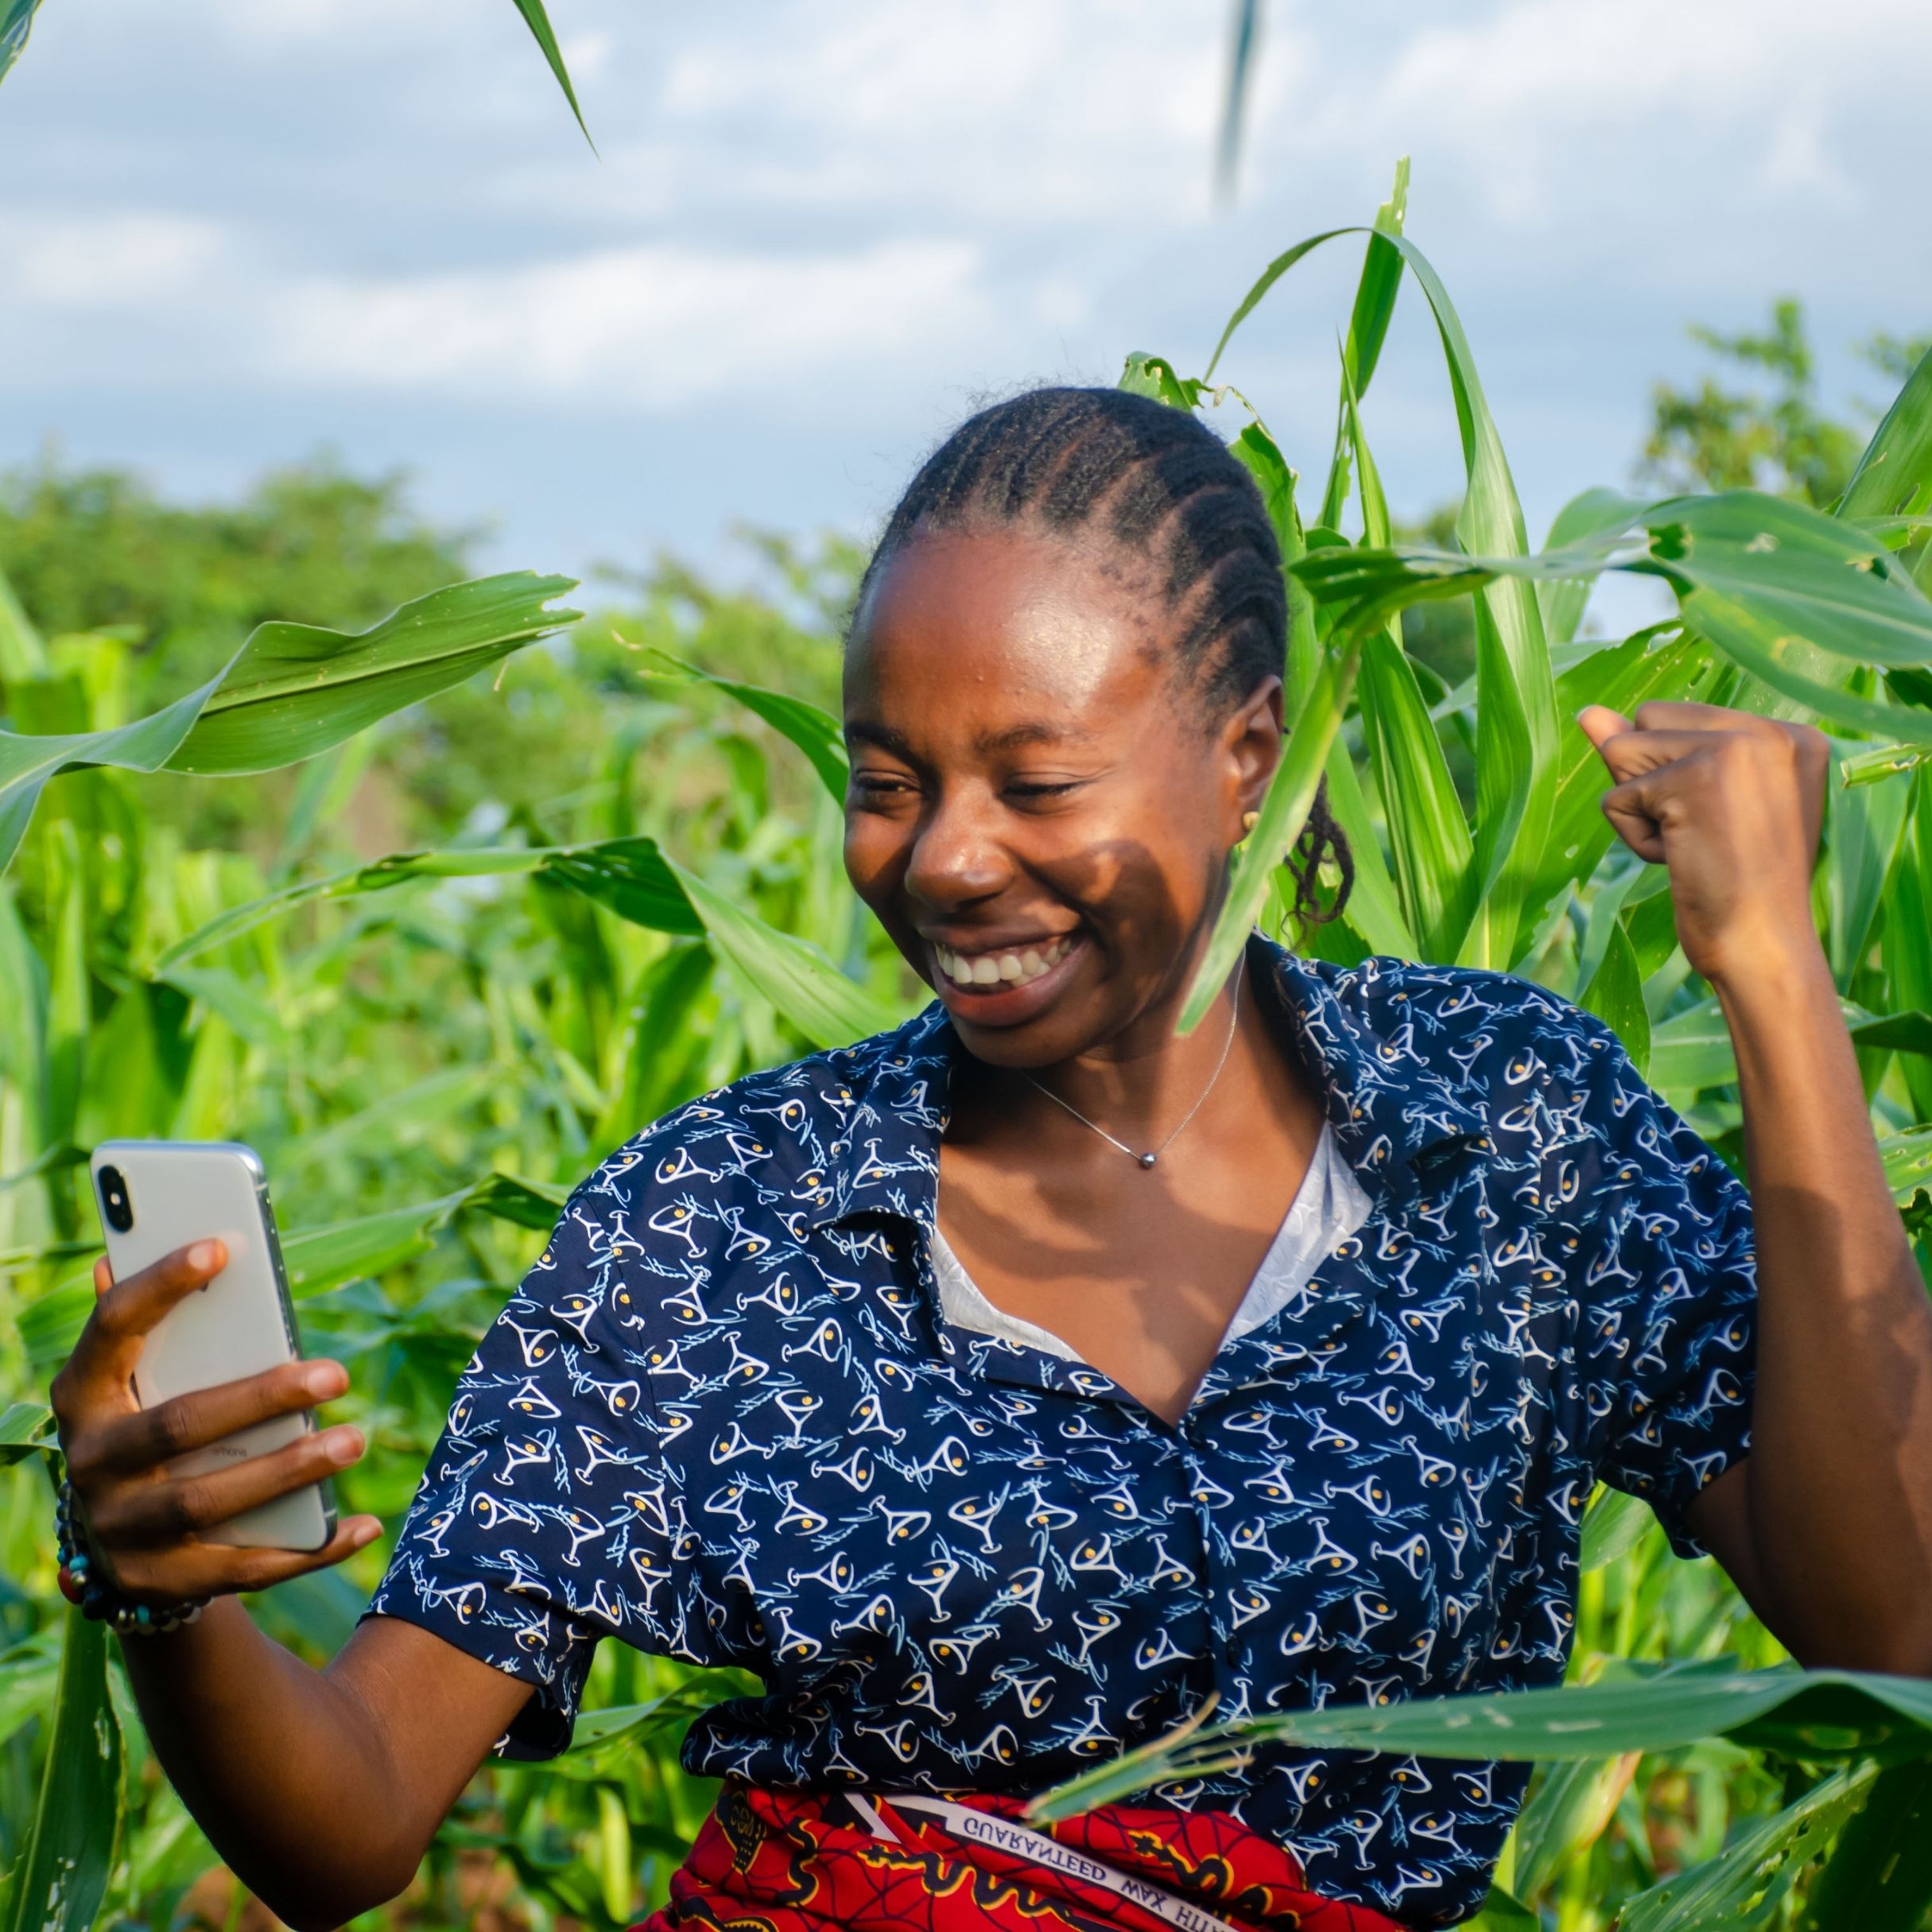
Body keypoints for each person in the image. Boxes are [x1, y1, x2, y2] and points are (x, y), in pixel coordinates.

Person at [50, 387, 1932, 1932]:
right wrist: (172, 1596)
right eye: (887, 783)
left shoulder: (1509, 1128)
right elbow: (356, 1816)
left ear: (1247, 754)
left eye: (1036, 783)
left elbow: (1893, 1623)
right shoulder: (721, 1225)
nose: (944, 859)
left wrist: (1776, 979)